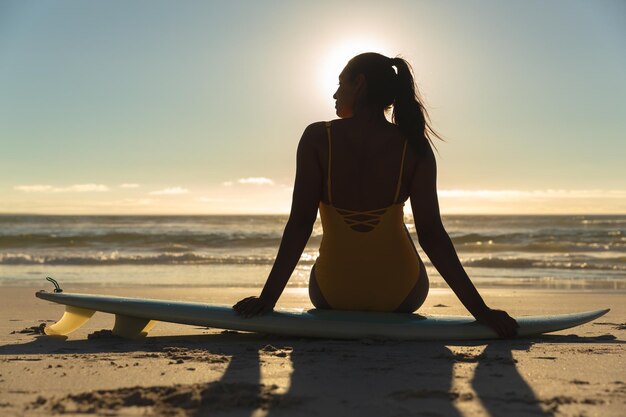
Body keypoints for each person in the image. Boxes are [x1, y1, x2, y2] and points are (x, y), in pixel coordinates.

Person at [233, 52, 519, 338]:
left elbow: (300, 224)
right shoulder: (414, 146)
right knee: (399, 226)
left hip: (333, 294)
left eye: (340, 83)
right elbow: (432, 236)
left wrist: (267, 300)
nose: (334, 93)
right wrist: (482, 312)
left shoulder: (317, 138)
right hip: (401, 294)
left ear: (359, 83)